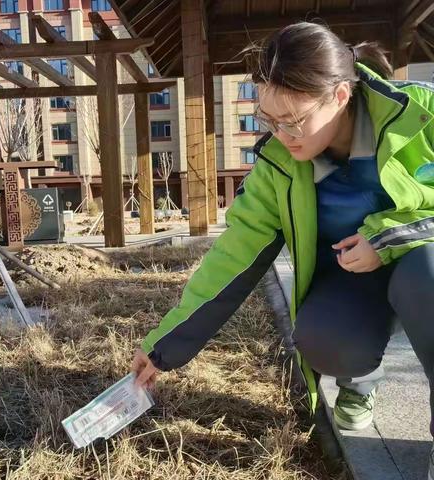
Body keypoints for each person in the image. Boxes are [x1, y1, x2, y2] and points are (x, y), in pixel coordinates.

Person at [131, 22, 434, 479]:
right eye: (269, 120)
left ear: (339, 96)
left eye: (294, 121)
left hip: (421, 261)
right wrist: (163, 346)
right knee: (321, 340)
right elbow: (232, 258)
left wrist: (388, 238)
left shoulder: (420, 111)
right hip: (350, 277)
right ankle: (358, 383)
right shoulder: (278, 165)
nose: (282, 135)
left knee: (426, 274)